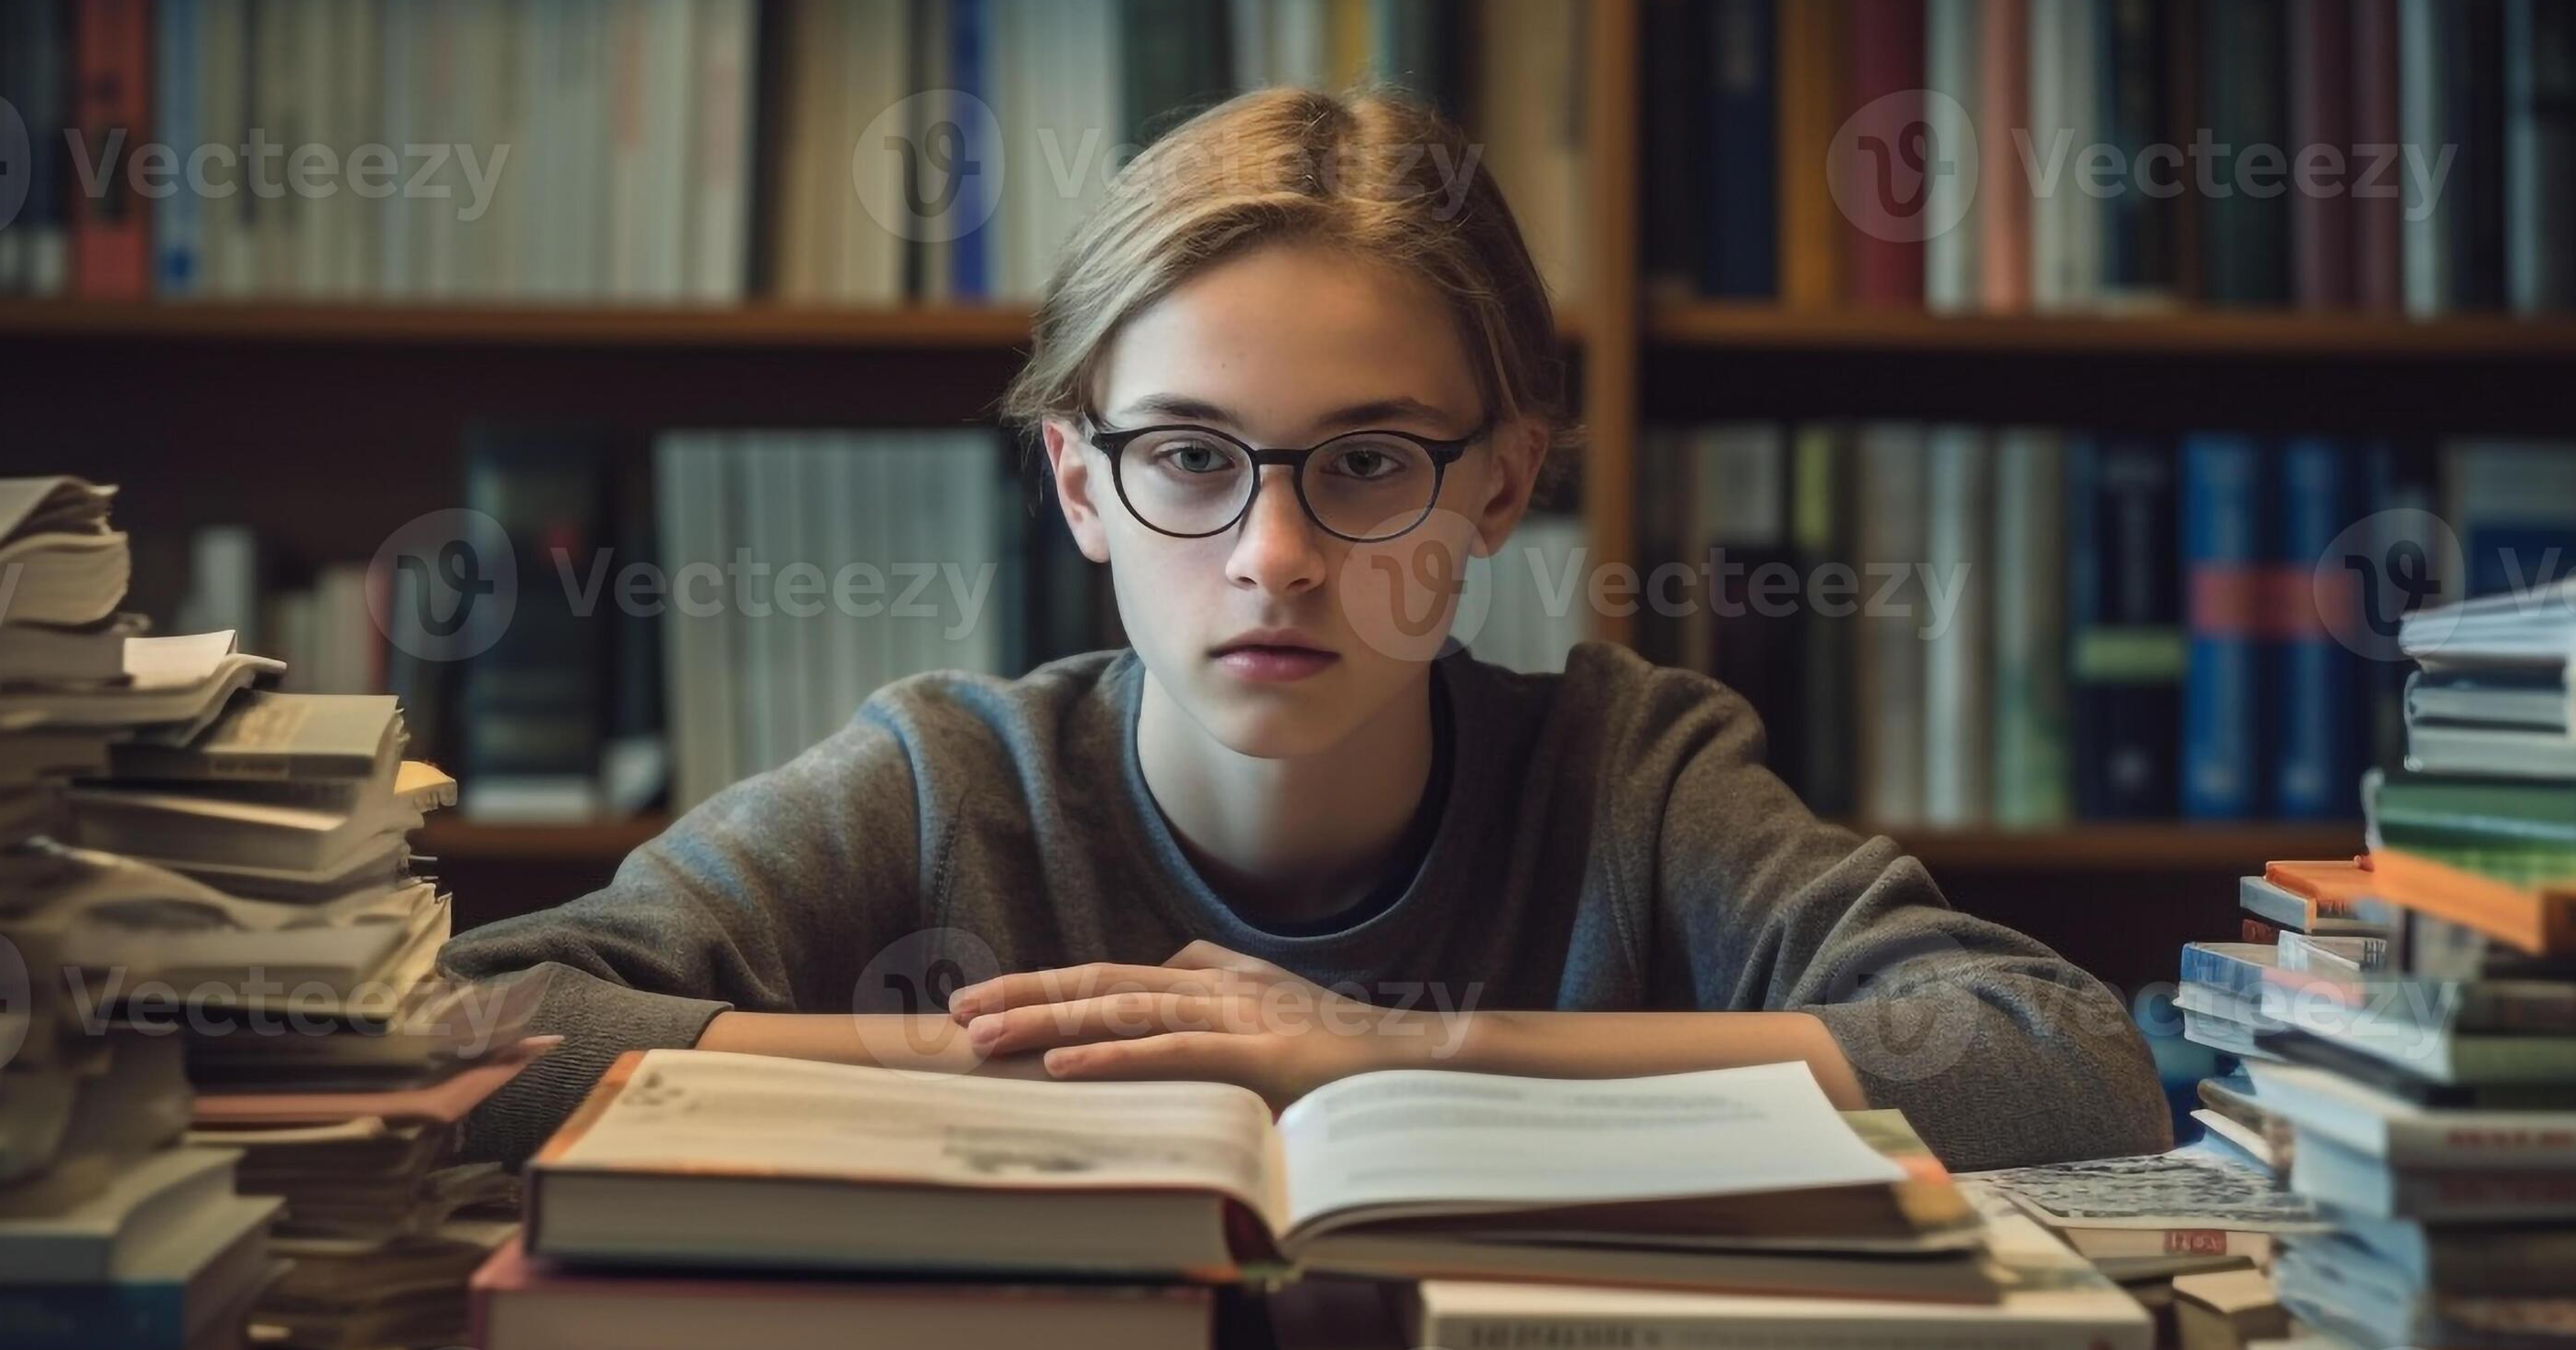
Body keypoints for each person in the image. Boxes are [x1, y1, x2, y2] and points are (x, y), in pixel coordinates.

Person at [443, 86, 2172, 1171]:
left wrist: (1397, 1050)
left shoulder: (1628, 778)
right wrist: (1064, 1063)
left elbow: (2067, 1065)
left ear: (1499, 488)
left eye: (1368, 462)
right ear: (1079, 485)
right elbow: (468, 1028)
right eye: (1190, 457)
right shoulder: (944, 780)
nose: (1273, 556)